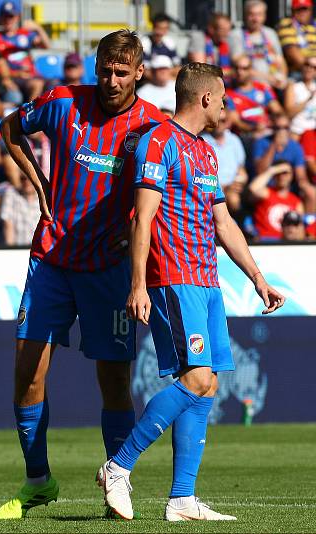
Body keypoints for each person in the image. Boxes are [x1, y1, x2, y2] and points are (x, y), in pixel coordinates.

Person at [98, 62, 285, 521]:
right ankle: (119, 466)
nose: (226, 107)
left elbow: (223, 222)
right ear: (204, 99)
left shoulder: (205, 153)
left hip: (206, 280)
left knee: (208, 385)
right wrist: (138, 284)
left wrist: (258, 278)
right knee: (197, 379)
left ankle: (182, 498)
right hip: (172, 278)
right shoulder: (158, 143)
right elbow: (142, 217)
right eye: (222, 99)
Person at [0, 29, 167, 520]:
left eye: (122, 71)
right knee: (27, 373)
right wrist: (39, 182)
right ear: (96, 68)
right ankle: (37, 479)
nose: (111, 79)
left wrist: (136, 229)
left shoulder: (152, 124)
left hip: (108, 269)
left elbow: (162, 188)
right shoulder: (63, 101)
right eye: (105, 69)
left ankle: (118, 482)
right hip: (50, 257)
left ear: (138, 72)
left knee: (113, 380)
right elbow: (9, 127)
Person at [252, 113, 316, 212]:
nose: (282, 131)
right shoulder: (261, 143)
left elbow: (301, 177)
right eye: (278, 128)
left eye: (285, 127)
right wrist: (274, 145)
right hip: (266, 189)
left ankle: (308, 224)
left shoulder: (295, 147)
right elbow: (260, 170)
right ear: (273, 128)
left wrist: (307, 189)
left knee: (311, 193)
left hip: (288, 188)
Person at [0, 1, 51, 101]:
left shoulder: (24, 34)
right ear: (0, 18)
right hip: (12, 77)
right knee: (35, 85)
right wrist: (14, 74)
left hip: (30, 76)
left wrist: (38, 28)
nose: (8, 20)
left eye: (11, 16)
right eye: (5, 16)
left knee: (54, 85)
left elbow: (46, 46)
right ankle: (30, 115)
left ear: (17, 17)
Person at [227, 0, 287, 89]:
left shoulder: (270, 33)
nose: (255, 19)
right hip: (248, 86)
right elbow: (240, 66)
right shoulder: (236, 34)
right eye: (251, 14)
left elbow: (280, 61)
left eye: (259, 15)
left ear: (264, 16)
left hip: (273, 84)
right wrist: (268, 78)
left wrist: (283, 78)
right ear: (245, 15)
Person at [226, 54, 283, 139]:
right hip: (245, 135)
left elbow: (278, 111)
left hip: (267, 130)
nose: (240, 72)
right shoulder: (228, 94)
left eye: (244, 68)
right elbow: (237, 123)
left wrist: (273, 123)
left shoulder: (263, 88)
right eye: (237, 68)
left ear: (251, 70)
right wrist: (253, 128)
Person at [201, 110, 247, 216]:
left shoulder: (234, 140)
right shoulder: (203, 141)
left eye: (223, 120)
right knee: (232, 199)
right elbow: (202, 174)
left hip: (233, 187)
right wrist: (223, 188)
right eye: (217, 120)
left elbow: (242, 170)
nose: (219, 124)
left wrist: (238, 182)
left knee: (234, 198)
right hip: (212, 187)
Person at [247, 161, 304, 240]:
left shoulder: (296, 201)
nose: (281, 176)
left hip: (286, 242)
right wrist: (272, 170)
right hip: (264, 241)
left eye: (285, 173)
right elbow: (253, 189)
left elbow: (300, 230)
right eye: (278, 173)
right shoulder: (266, 193)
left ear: (292, 175)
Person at [187, 13, 234, 81]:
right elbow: (201, 69)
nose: (227, 33)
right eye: (223, 30)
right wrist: (231, 72)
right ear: (211, 29)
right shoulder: (198, 38)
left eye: (228, 30)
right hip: (199, 83)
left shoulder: (227, 41)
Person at [277, 0, 316, 75]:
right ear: (292, 10)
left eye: (305, 9)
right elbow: (294, 55)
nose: (302, 13)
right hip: (299, 73)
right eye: (298, 9)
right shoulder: (287, 25)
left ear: (311, 9)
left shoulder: (314, 25)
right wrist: (312, 69)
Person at [1, 175, 41, 246]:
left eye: (30, 178)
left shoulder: (44, 198)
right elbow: (8, 223)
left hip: (39, 250)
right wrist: (11, 250)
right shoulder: (11, 194)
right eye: (23, 178)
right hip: (18, 249)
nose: (27, 181)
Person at [284, 55, 316, 136]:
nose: (309, 69)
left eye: (314, 67)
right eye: (307, 64)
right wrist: (308, 100)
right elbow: (288, 113)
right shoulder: (293, 86)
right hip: (297, 131)